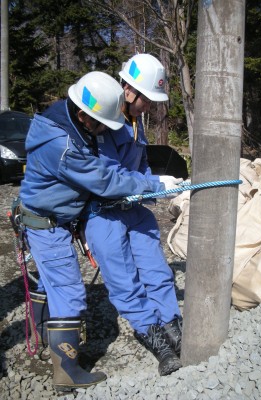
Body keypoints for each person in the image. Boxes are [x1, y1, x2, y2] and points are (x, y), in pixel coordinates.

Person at [18, 70, 180, 391]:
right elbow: (106, 180)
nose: (105, 129)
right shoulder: (61, 144)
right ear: (83, 114)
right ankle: (66, 371)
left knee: (53, 280)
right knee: (69, 292)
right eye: (101, 124)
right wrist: (155, 184)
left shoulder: (72, 124)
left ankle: (41, 330)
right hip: (47, 224)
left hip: (59, 217)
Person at [83, 54, 183, 377]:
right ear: (128, 91)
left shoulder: (137, 123)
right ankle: (154, 336)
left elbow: (139, 167)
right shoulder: (104, 124)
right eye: (147, 101)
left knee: (156, 269)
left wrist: (159, 184)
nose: (150, 108)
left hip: (134, 210)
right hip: (105, 216)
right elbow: (109, 178)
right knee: (126, 282)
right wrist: (152, 183)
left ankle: (172, 324)